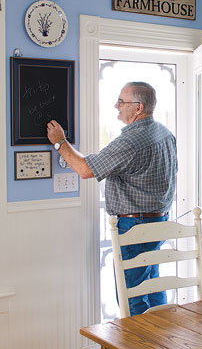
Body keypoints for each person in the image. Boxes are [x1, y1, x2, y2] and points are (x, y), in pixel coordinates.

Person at [47, 81, 178, 316]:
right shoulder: (165, 134)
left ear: (138, 108)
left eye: (121, 101)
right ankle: (162, 340)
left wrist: (60, 142)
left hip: (135, 226)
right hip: (160, 222)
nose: (116, 105)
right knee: (153, 288)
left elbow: (86, 169)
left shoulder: (131, 142)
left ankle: (139, 342)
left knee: (133, 296)